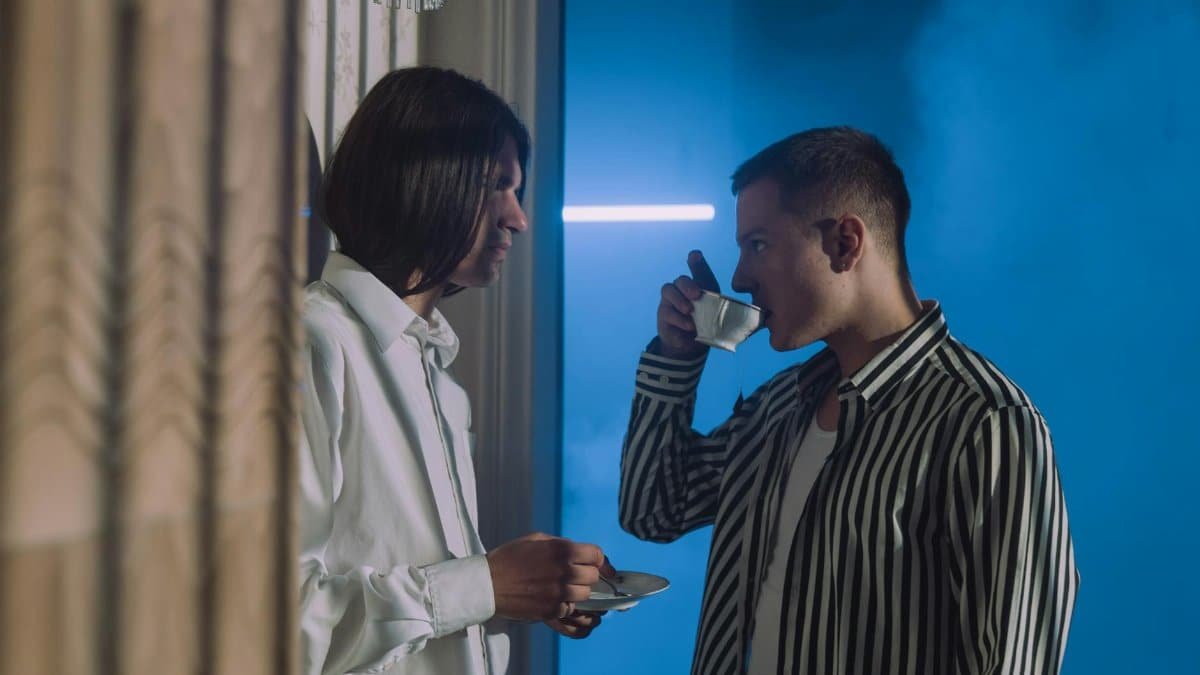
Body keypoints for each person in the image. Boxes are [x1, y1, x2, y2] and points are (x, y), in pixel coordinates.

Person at [619, 126, 1079, 674]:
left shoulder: (987, 424)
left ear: (844, 244)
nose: (740, 278)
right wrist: (676, 357)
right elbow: (653, 509)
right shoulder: (779, 408)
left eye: (758, 245)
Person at [299, 66, 611, 675]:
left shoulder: (440, 380)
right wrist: (484, 585)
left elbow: (420, 603)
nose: (518, 218)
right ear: (422, 177)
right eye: (497, 185)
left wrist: (519, 588)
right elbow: (278, 623)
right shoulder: (315, 343)